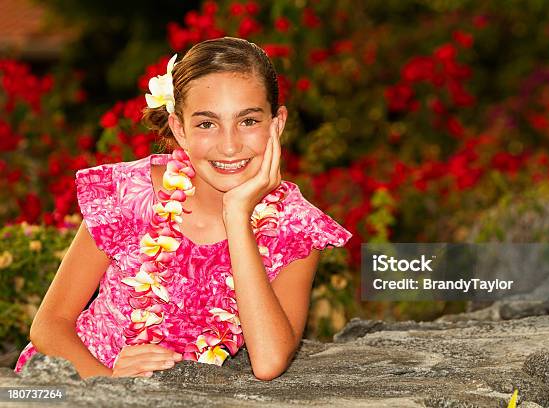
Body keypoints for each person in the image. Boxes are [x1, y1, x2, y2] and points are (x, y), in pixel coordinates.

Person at [13, 37, 352, 381]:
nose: (230, 145)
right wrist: (106, 380)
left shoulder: (295, 227)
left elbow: (268, 362)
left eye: (248, 121)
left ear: (276, 124)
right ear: (180, 128)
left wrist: (236, 216)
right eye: (207, 123)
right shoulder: (132, 194)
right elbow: (48, 325)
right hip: (76, 378)